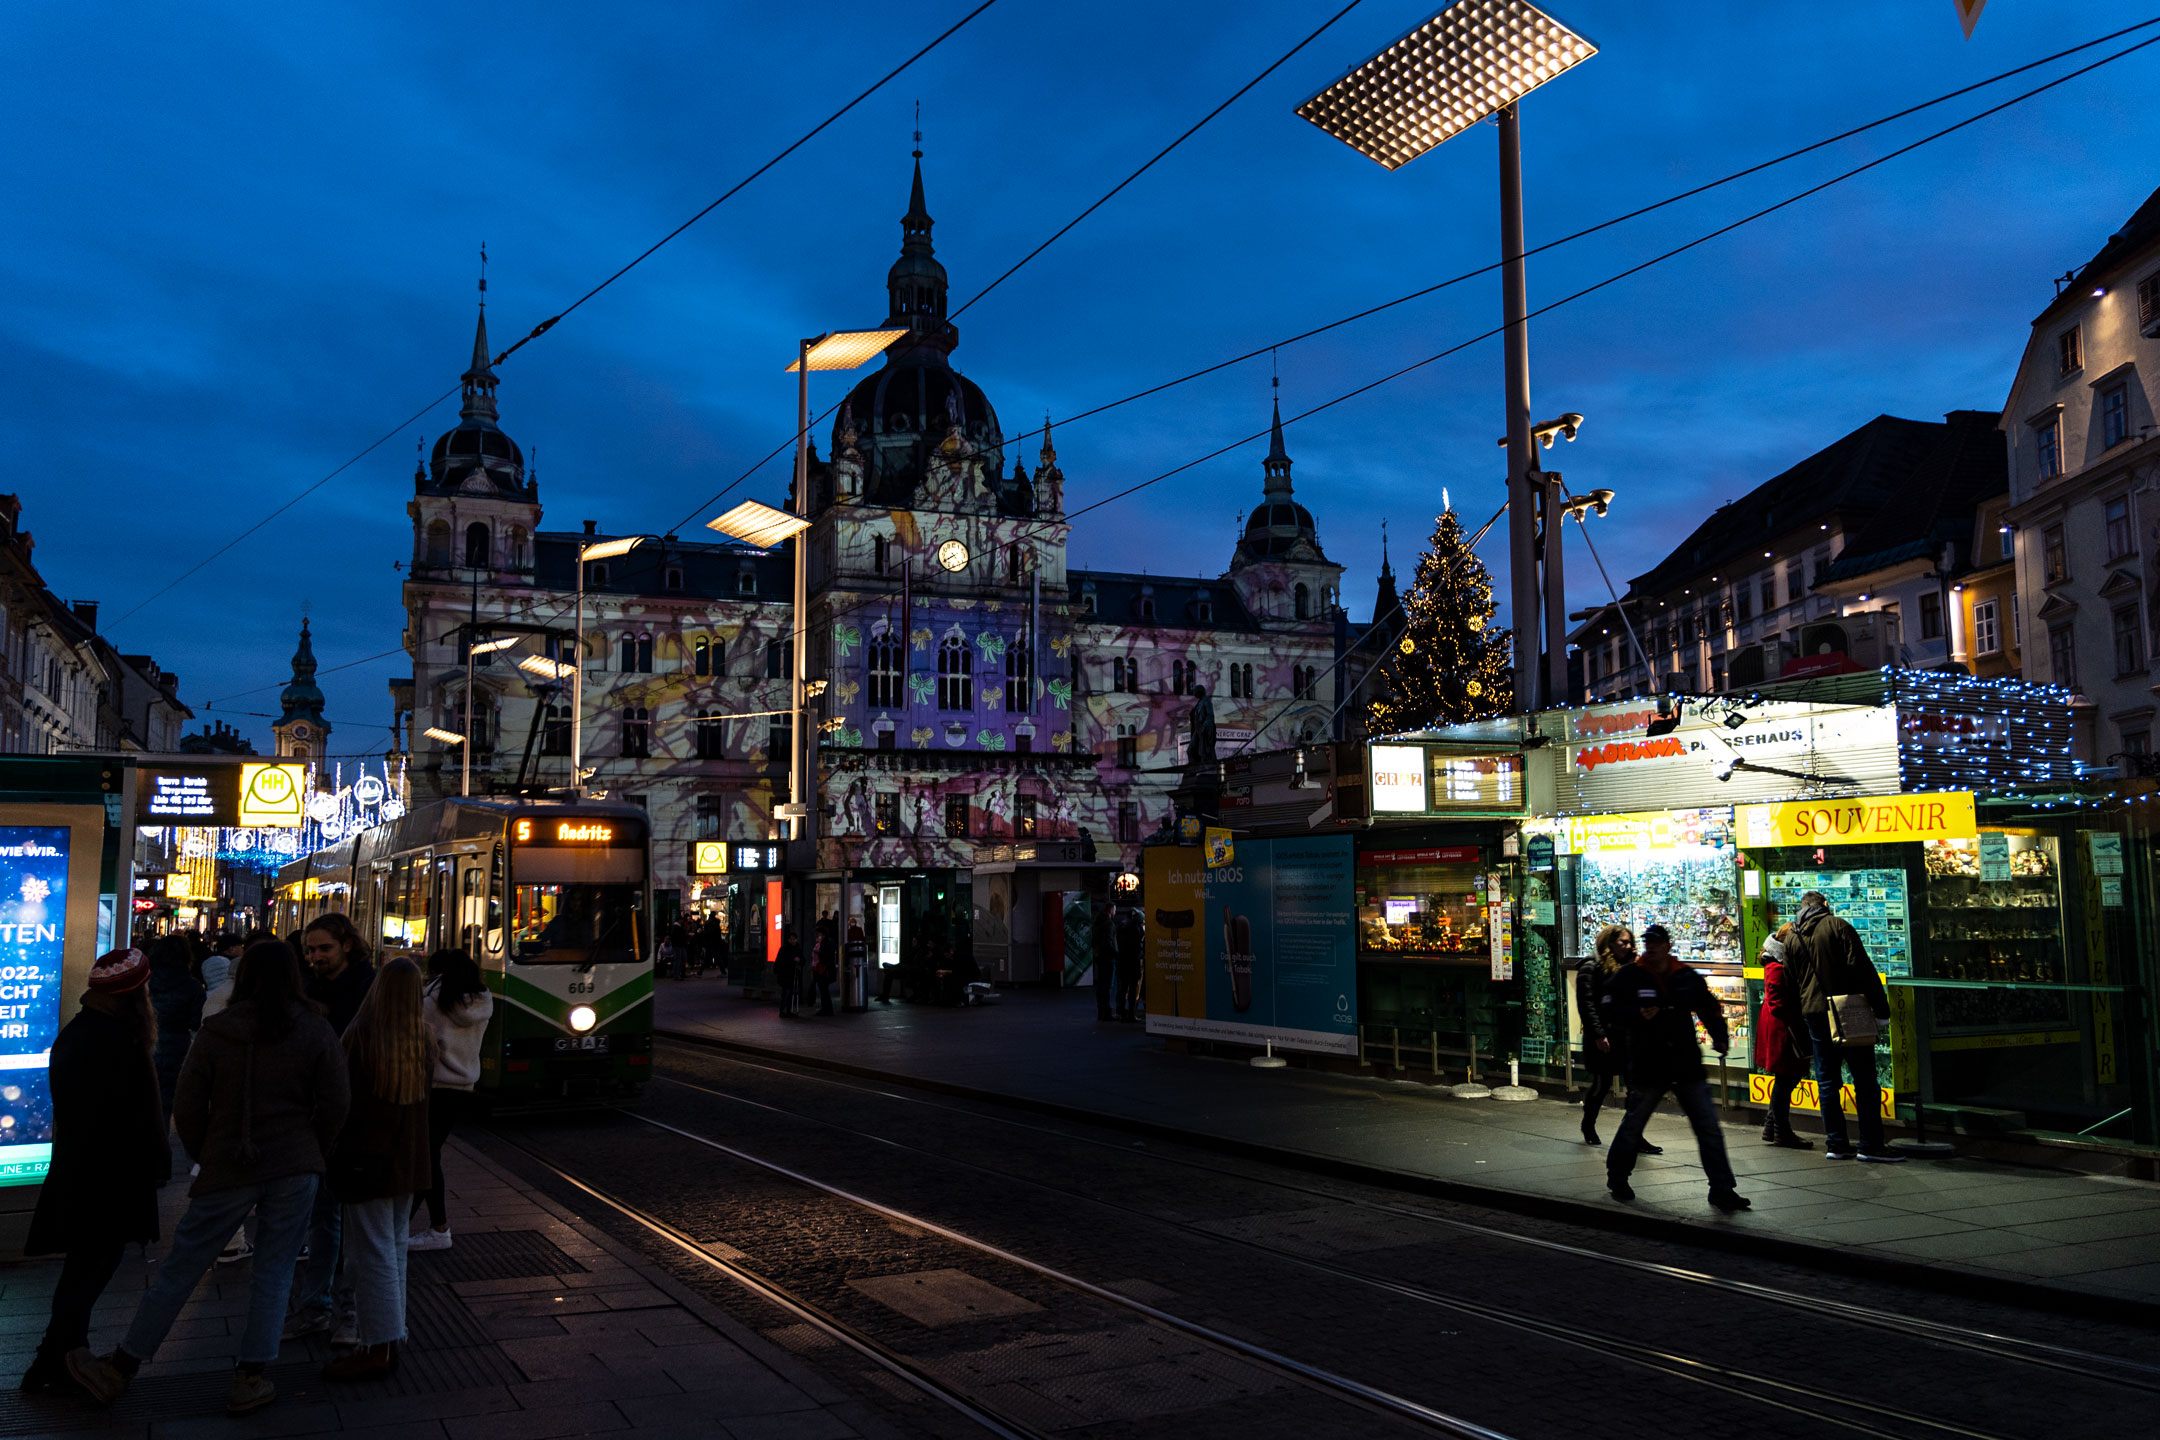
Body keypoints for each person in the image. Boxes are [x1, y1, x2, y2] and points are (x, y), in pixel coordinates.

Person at [67, 940, 349, 1417]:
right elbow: (337, 1103)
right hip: (295, 1165)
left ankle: (123, 1365)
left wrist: (207, 1154)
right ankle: (250, 1376)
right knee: (275, 1273)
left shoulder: (218, 1031)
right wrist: (312, 1148)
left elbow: (190, 1106)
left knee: (182, 1267)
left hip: (230, 1164)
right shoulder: (315, 1029)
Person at [21, 950, 168, 1396]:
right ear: (134, 994)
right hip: (108, 1175)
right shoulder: (114, 1038)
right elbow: (131, 1113)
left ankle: (59, 1352)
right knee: (90, 1265)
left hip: (88, 1170)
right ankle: (54, 1355)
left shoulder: (85, 1031)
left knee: (88, 1264)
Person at [320, 957, 432, 1381]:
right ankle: (393, 1334)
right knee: (394, 1247)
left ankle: (378, 1346)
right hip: (408, 1164)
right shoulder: (423, 1037)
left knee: (372, 1254)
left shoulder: (361, 1037)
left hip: (366, 1162)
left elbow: (340, 1104)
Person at [1601, 924, 1750, 1212]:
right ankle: (1617, 1177)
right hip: (1649, 1062)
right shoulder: (1631, 975)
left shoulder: (1683, 976)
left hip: (1684, 1063)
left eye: (1657, 943)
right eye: (1648, 943)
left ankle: (1721, 1188)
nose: (1651, 947)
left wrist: (1719, 1036)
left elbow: (1708, 1006)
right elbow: (1609, 1007)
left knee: (1707, 1127)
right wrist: (1636, 1014)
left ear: (1667, 946)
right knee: (1634, 1124)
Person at [288, 913, 377, 1344]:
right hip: (315, 1116)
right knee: (325, 1218)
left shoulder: (367, 988)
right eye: (310, 950)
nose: (316, 957)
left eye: (324, 948)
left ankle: (349, 1309)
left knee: (351, 1221)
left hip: (356, 1116)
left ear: (346, 945)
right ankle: (317, 1306)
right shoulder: (307, 989)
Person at [1786, 890, 1902, 1163]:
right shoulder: (1839, 926)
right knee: (1865, 1079)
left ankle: (1836, 1143)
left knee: (1826, 1080)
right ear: (1825, 905)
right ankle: (1870, 1144)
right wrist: (1881, 1010)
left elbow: (1790, 982)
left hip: (1814, 1014)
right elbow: (1862, 969)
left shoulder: (1792, 936)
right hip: (1847, 1010)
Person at [411, 948, 493, 1252]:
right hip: (463, 1086)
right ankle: (432, 1227)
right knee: (429, 1155)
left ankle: (436, 1228)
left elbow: (417, 1039)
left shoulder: (432, 1002)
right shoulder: (483, 1001)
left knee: (426, 1157)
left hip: (433, 1085)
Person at [1578, 925, 1657, 1151]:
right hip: (1604, 1036)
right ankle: (1589, 1124)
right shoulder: (1591, 967)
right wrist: (1598, 1034)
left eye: (1631, 942)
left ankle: (1634, 1133)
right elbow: (1587, 1004)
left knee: (1635, 1087)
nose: (1629, 946)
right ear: (1609, 943)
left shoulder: (1628, 966)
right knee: (1601, 1084)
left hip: (1627, 1035)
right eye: (1624, 942)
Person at [1754, 926, 1814, 1150]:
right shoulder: (1777, 966)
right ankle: (1781, 1130)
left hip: (1781, 1025)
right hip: (1782, 1029)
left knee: (1786, 1078)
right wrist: (1797, 1019)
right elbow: (1778, 1001)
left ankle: (1772, 1125)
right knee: (1786, 1078)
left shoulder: (1778, 963)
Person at [145, 934, 203, 1128]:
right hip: (176, 1046)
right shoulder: (192, 986)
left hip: (145, 1041)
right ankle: (160, 1143)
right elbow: (196, 1021)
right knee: (166, 1098)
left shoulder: (146, 982)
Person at [1113, 905, 1144, 1022]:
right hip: (1133, 962)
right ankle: (1131, 1013)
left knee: (1122, 988)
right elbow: (1138, 946)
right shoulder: (1137, 929)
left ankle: (1120, 1011)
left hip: (1122, 961)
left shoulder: (1122, 926)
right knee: (1132, 990)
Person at [1092, 900, 1117, 1021]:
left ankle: (1100, 1011)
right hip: (1108, 958)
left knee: (1100, 985)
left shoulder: (1097, 922)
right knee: (1107, 986)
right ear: (1111, 910)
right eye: (1115, 910)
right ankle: (1106, 1012)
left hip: (1099, 957)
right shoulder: (1109, 924)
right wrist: (1116, 954)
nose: (1115, 912)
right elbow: (1109, 942)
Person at [811, 915, 837, 1016]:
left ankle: (827, 1009)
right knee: (823, 990)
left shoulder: (827, 942)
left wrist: (818, 952)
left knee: (824, 990)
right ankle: (825, 1008)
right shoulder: (821, 943)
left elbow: (827, 956)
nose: (817, 936)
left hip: (824, 970)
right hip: (819, 969)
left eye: (818, 934)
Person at [774, 923, 801, 1018]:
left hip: (792, 974)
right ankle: (783, 1010)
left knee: (789, 992)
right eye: (791, 939)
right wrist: (793, 960)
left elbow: (802, 958)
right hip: (785, 974)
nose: (793, 940)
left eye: (794, 939)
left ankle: (788, 1010)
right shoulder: (785, 948)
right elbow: (782, 960)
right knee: (786, 992)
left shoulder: (797, 948)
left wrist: (799, 961)